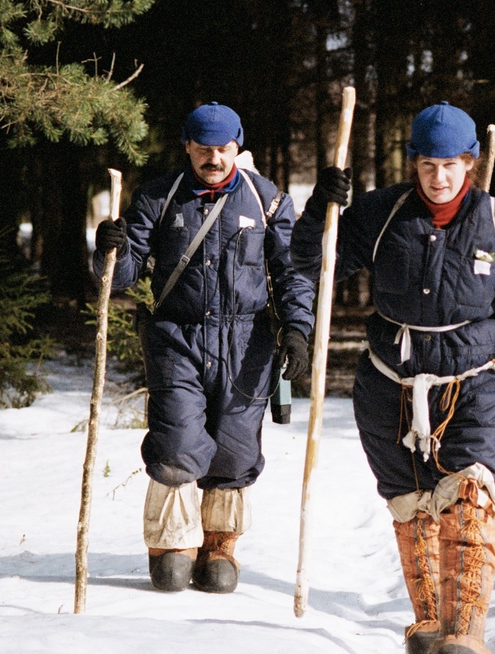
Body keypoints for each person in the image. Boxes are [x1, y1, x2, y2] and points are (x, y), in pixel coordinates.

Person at [292, 102, 495, 654]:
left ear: (470, 162)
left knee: (470, 498)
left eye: (449, 165)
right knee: (412, 505)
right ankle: (429, 622)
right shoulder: (382, 213)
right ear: (414, 163)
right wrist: (319, 210)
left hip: (475, 384)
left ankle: (464, 630)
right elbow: (313, 261)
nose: (438, 177)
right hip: (389, 386)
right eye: (427, 165)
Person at [93, 102, 315, 594]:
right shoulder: (158, 197)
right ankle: (172, 543)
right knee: (176, 441)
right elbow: (123, 276)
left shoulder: (268, 201)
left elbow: (293, 273)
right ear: (187, 147)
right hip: (177, 338)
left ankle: (219, 543)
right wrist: (112, 248)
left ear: (237, 147)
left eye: (223, 149)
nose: (214, 158)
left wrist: (297, 330)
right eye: (203, 149)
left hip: (247, 343)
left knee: (236, 448)